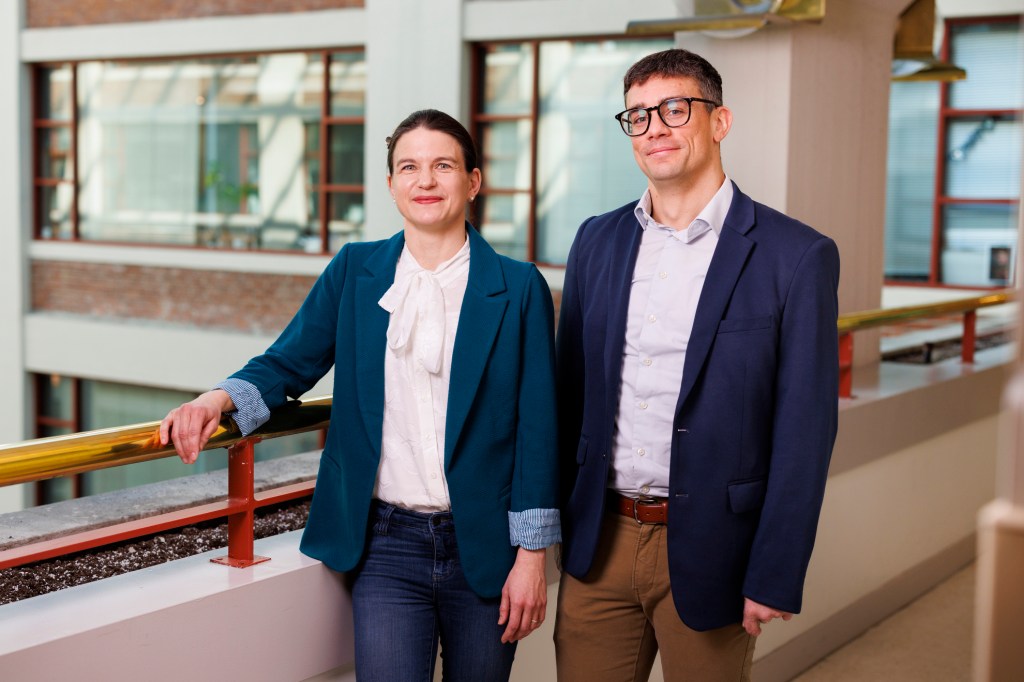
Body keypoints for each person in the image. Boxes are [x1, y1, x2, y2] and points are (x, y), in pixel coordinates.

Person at [159, 109, 560, 682]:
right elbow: (290, 361)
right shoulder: (355, 270)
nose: (426, 181)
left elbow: (538, 427)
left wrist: (531, 557)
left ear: (472, 181)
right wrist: (215, 401)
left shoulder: (518, 287)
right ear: (392, 185)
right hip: (385, 544)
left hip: (488, 544)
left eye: (443, 165)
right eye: (409, 167)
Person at [553, 48, 840, 681]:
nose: (653, 127)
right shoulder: (595, 241)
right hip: (600, 541)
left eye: (674, 109)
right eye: (636, 115)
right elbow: (569, 395)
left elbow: (805, 433)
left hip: (717, 547)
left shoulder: (796, 256)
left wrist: (775, 570)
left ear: (719, 120)